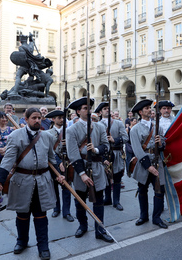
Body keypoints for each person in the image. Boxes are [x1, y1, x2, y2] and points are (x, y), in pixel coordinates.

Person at [0, 108, 60, 260]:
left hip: (42, 181)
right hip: (22, 181)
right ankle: (22, 241)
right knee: (22, 215)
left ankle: (43, 246)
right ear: (26, 118)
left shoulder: (47, 136)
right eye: (34, 118)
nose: (37, 120)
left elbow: (52, 158)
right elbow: (8, 160)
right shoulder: (15, 136)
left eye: (39, 118)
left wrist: (59, 175)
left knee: (41, 215)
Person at [66, 97, 113, 243]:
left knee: (99, 200)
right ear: (78, 111)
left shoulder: (98, 127)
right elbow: (73, 155)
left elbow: (106, 145)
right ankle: (82, 225)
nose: (88, 110)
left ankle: (100, 230)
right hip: (81, 170)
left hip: (97, 168)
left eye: (89, 108)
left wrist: (96, 149)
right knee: (80, 201)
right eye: (84, 108)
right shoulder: (71, 130)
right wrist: (82, 174)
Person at [130, 99, 168, 229]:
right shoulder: (135, 129)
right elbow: (137, 150)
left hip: (157, 162)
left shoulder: (158, 126)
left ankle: (156, 217)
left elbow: (164, 145)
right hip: (144, 164)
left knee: (159, 190)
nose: (149, 110)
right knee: (142, 189)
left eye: (149, 108)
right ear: (140, 112)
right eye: (146, 108)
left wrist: (161, 143)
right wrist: (149, 167)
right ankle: (143, 216)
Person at [96, 102, 129, 211]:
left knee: (117, 178)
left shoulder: (118, 123)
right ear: (100, 112)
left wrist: (115, 140)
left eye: (108, 109)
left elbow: (125, 137)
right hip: (103, 155)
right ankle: (108, 199)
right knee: (105, 177)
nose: (107, 111)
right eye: (104, 109)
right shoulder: (97, 124)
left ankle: (116, 201)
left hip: (116, 153)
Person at [44, 109, 74, 222]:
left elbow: (74, 148)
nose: (62, 120)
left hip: (68, 162)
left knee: (67, 188)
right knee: (54, 187)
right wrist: (58, 162)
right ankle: (56, 209)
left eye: (63, 117)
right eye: (59, 118)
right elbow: (48, 151)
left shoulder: (69, 131)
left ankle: (67, 212)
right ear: (53, 119)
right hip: (54, 164)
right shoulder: (47, 133)